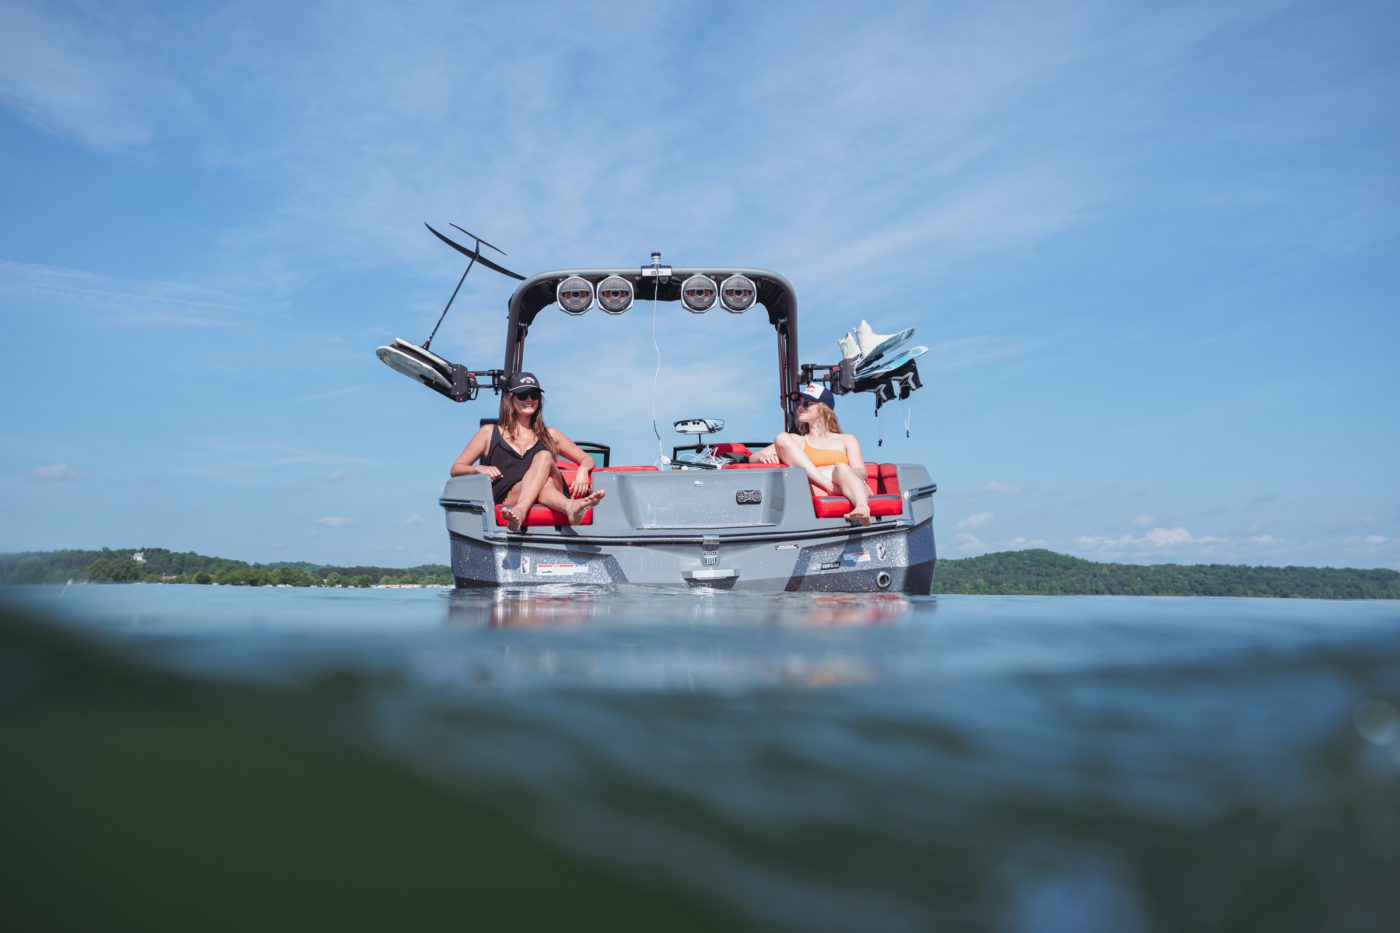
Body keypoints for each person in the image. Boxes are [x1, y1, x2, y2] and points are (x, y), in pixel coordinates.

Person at [449, 372, 604, 532]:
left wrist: (583, 469)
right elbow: (456, 469)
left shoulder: (551, 435)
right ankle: (570, 507)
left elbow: (586, 459)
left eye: (534, 394)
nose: (529, 399)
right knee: (542, 485)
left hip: (551, 490)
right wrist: (477, 469)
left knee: (544, 456)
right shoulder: (489, 433)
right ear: (511, 398)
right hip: (510, 493)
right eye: (523, 395)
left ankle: (520, 511)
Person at [754, 383, 871, 524]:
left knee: (841, 468)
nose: (799, 408)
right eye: (798, 403)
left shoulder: (847, 440)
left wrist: (833, 472)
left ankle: (862, 508)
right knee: (781, 437)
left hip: (851, 487)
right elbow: (752, 458)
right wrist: (764, 457)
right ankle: (830, 488)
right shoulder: (796, 441)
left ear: (823, 408)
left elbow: (862, 472)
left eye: (806, 403)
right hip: (822, 490)